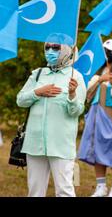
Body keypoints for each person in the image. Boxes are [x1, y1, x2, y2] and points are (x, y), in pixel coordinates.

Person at [16, 33, 86, 197]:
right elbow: (20, 100)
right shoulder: (38, 74)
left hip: (61, 144)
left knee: (64, 191)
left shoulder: (76, 77)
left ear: (67, 51)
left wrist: (72, 94)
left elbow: (76, 111)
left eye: (56, 47)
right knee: (35, 191)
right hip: (34, 144)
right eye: (47, 47)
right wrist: (37, 92)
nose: (50, 51)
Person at [78, 39, 112, 197]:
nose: (108, 55)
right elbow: (88, 93)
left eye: (110, 51)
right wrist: (99, 81)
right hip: (97, 117)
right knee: (97, 150)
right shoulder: (99, 71)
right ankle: (101, 186)